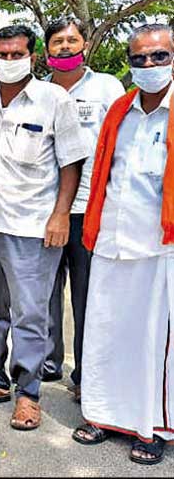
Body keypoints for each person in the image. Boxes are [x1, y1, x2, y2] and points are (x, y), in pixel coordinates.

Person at [0, 25, 89, 430]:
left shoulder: (54, 100)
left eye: (17, 54)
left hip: (30, 224)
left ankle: (29, 393)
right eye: (2, 54)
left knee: (30, 313)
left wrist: (61, 214)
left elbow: (72, 162)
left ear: (32, 58)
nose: (9, 61)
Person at [72, 24, 174, 465]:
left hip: (159, 245)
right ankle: (103, 414)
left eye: (159, 56)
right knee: (104, 332)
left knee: (152, 340)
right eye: (139, 59)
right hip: (111, 237)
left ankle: (151, 427)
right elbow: (102, 175)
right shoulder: (119, 110)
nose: (148, 65)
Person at [41, 17, 126, 395]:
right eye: (57, 41)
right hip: (43, 209)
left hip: (93, 209)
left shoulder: (107, 88)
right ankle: (46, 364)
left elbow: (119, 145)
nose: (64, 47)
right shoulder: (38, 92)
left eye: (71, 40)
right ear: (46, 51)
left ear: (85, 45)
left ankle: (86, 375)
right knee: (44, 294)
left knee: (88, 296)